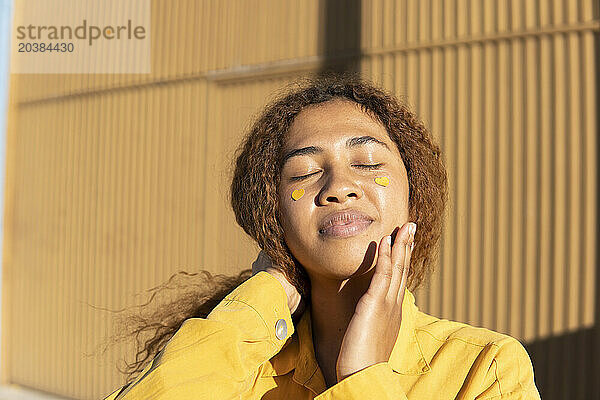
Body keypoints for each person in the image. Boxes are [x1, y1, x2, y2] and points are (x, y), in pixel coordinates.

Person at [102, 74, 541, 399]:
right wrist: (264, 297)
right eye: (305, 172)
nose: (338, 187)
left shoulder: (486, 369)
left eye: (368, 163)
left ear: (415, 198)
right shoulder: (243, 371)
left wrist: (363, 376)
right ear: (272, 215)